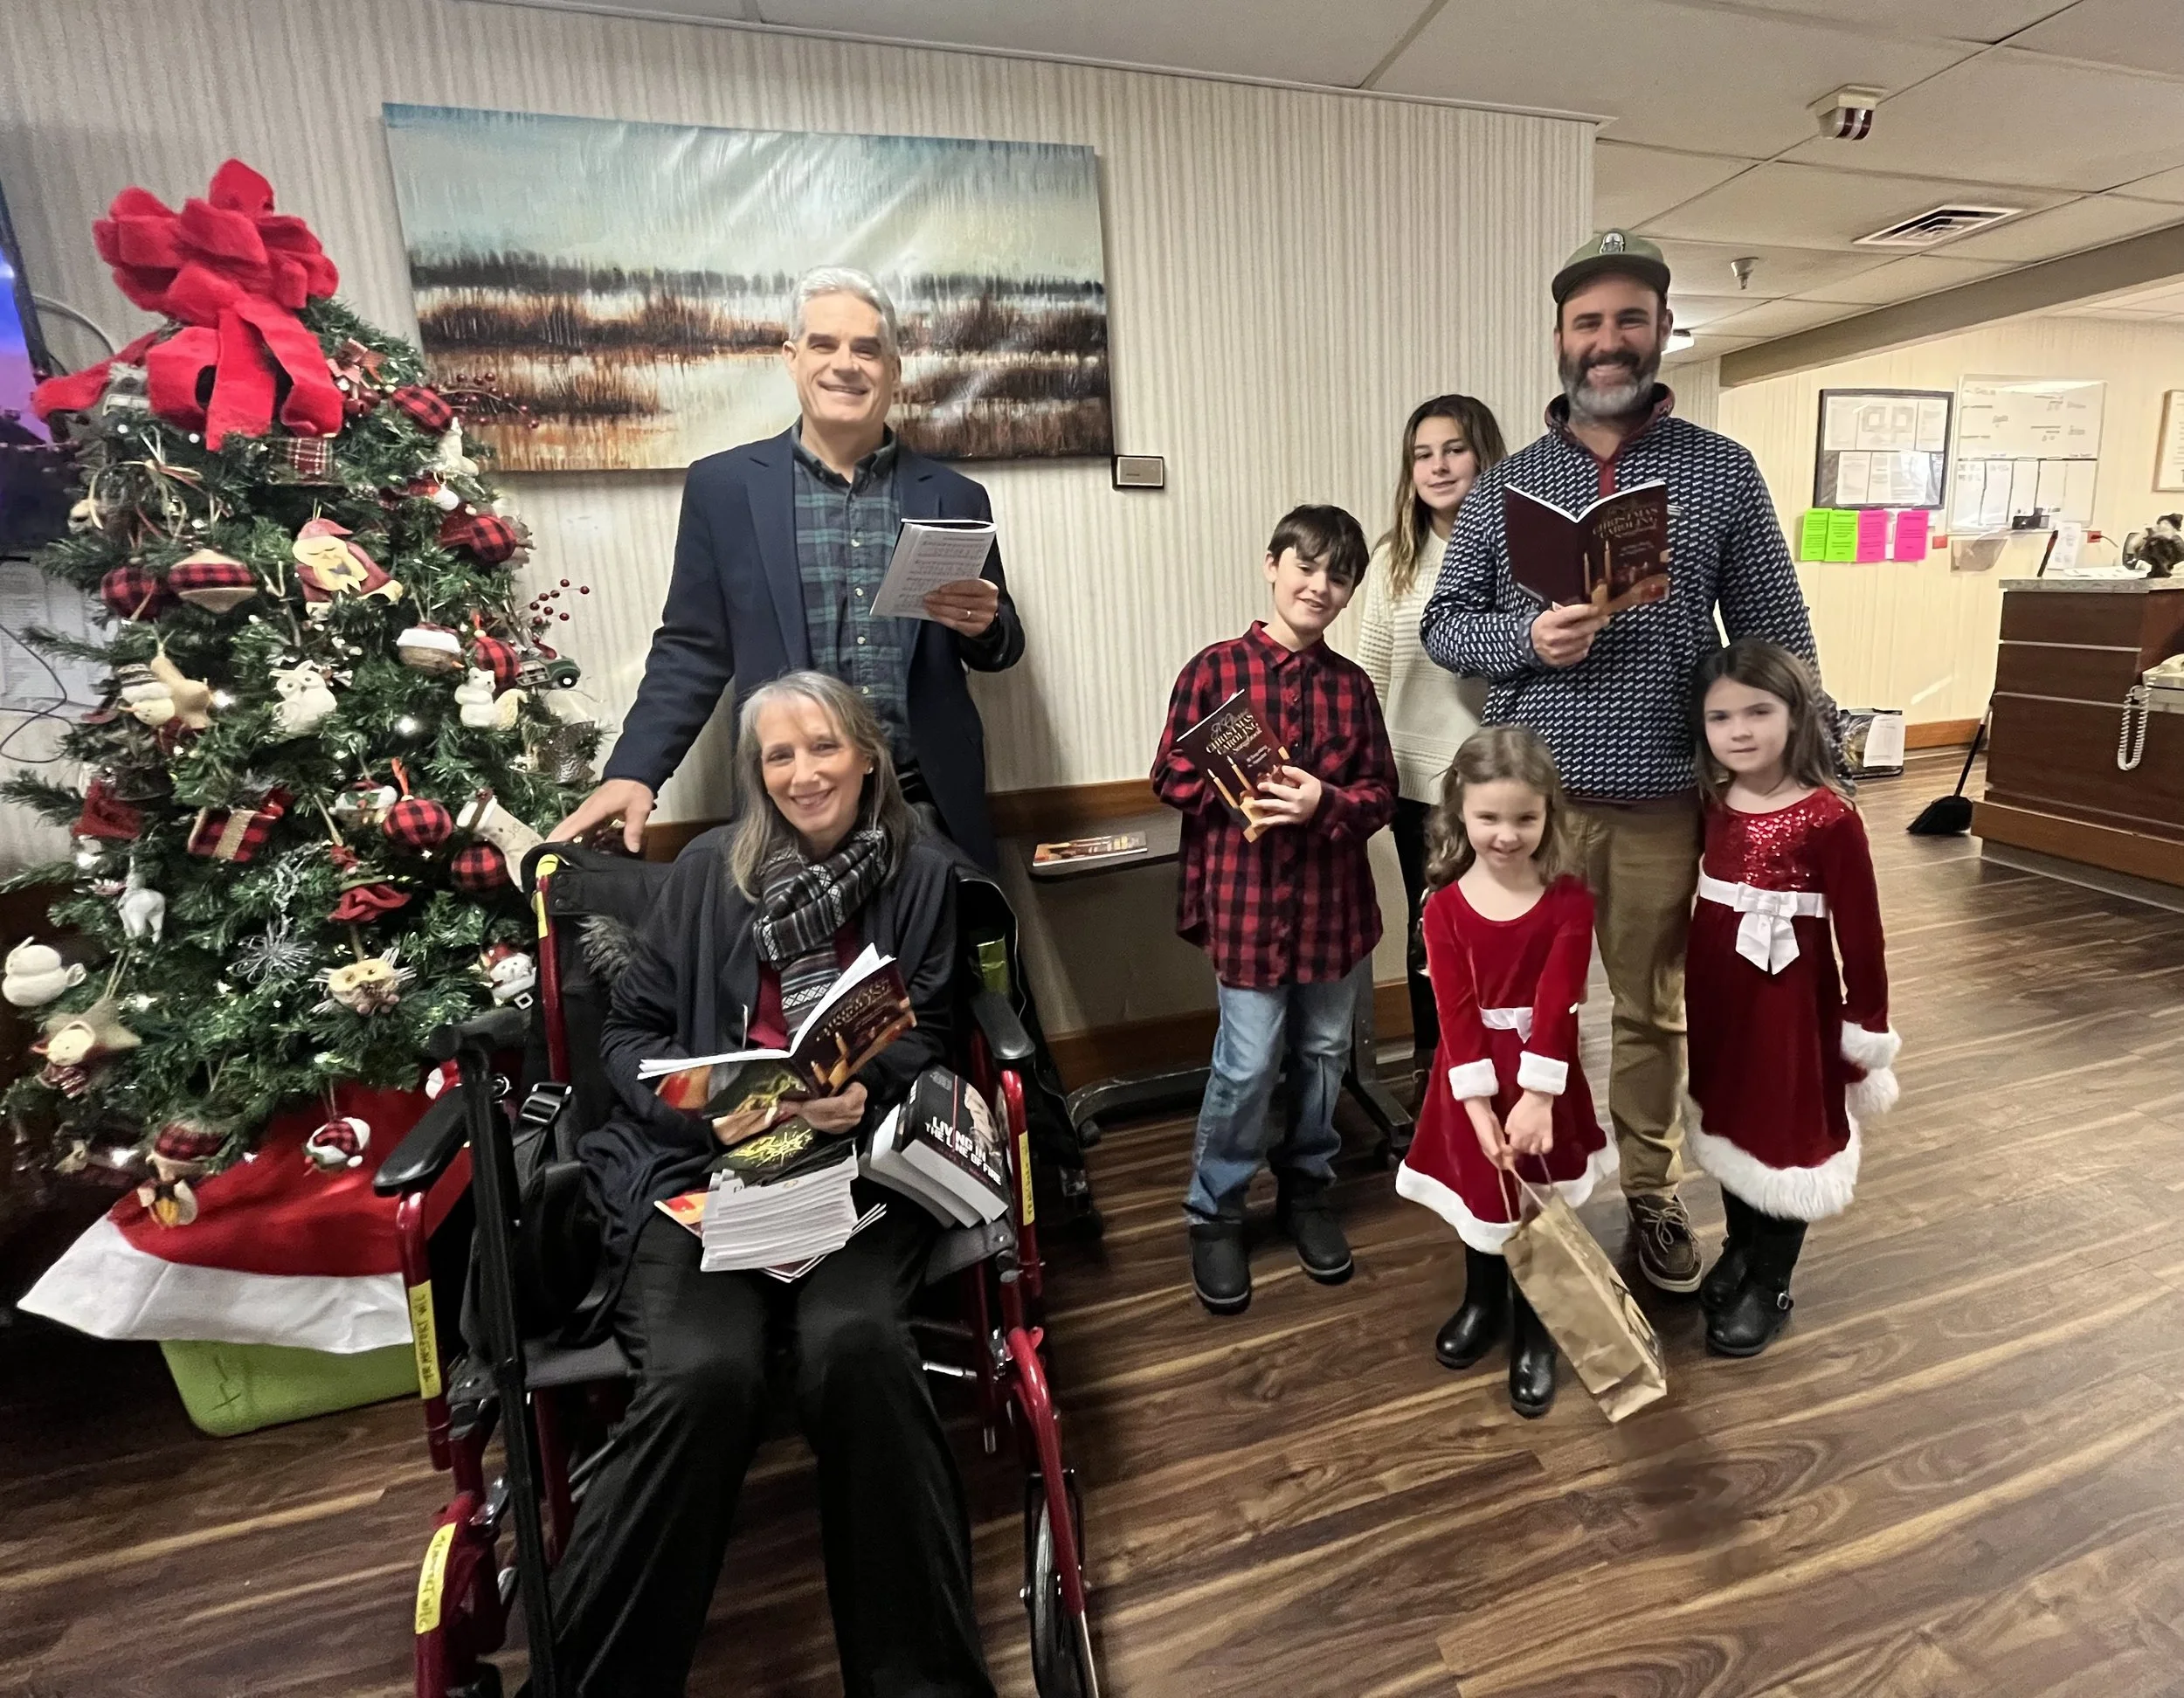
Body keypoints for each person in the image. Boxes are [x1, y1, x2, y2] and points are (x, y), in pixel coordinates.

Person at [545, 672, 994, 1698]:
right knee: (704, 1376)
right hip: (704, 1172)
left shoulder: (919, 871)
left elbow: (922, 1023)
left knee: (859, 1347)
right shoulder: (706, 874)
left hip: (852, 1170)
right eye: (778, 756)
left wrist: (857, 1089)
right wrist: (702, 1108)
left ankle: (918, 1683)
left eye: (823, 747)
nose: (802, 773)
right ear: (757, 774)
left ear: (868, 755)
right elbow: (628, 1038)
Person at [1419, 230, 1821, 1296]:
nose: (1608, 342)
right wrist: (1524, 640)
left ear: (1661, 332)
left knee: (1650, 1010)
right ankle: (1514, 1197)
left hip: (1656, 798)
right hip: (1526, 814)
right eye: (1588, 323)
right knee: (1513, 1013)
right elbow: (1445, 627)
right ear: (1558, 338)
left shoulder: (1722, 472)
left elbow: (1778, 630)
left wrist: (1790, 771)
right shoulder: (1508, 485)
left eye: (1629, 320)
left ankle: (1649, 1194)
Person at [550, 266, 1025, 869]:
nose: (845, 364)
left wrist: (986, 625)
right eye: (824, 345)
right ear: (792, 358)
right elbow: (691, 649)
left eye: (867, 349)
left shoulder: (955, 497)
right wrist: (634, 771)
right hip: (790, 809)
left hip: (927, 806)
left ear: (894, 369)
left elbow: (1001, 646)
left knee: (944, 963)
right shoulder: (723, 489)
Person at [1151, 506, 1397, 1315]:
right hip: (1246, 903)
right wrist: (1238, 789)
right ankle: (1215, 1212)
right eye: (1307, 567)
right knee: (1248, 1061)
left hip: (1331, 906)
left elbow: (1380, 797)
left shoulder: (1353, 686)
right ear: (1272, 565)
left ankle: (1307, 1190)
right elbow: (1166, 776)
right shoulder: (1214, 671)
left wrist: (1323, 799)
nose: (1320, 587)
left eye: (1339, 577)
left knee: (1326, 1051)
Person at [1685, 640, 1898, 1358]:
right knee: (1734, 1122)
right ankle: (1741, 1249)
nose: (1740, 730)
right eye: (1721, 717)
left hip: (1788, 1011)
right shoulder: (1714, 801)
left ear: (1795, 713)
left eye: (1758, 711)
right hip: (1721, 999)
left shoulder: (1829, 818)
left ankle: (1772, 1282)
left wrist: (1866, 1026)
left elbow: (1862, 935)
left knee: (1784, 1134)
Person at [1393, 724, 1612, 1418]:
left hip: (1542, 1080)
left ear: (1549, 813)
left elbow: (1559, 1002)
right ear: (1460, 810)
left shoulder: (1570, 898)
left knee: (1537, 1204)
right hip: (1471, 1077)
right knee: (1479, 1198)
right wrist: (1481, 1108)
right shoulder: (1444, 905)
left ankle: (1536, 1329)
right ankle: (1482, 1300)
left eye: (1525, 817)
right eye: (1489, 817)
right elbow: (1454, 1014)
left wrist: (1539, 1098)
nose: (1507, 834)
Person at [1355, 394, 1508, 1084]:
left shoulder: (1518, 550)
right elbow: (1369, 673)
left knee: (1499, 939)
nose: (1439, 466)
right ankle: (1436, 1079)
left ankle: (1498, 1076)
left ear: (1484, 455)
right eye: (1423, 454)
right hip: (1414, 785)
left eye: (1454, 449)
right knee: (1431, 942)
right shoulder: (1398, 555)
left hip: (1498, 785)